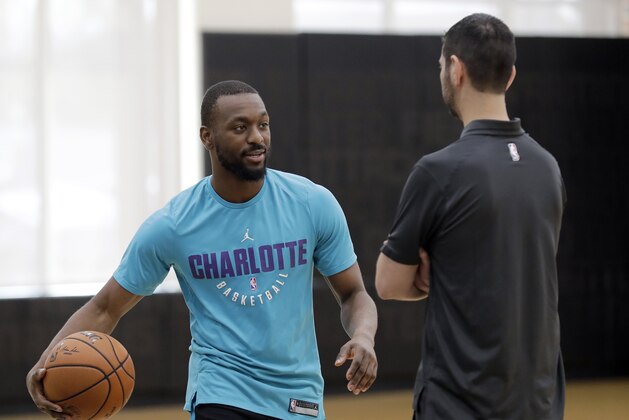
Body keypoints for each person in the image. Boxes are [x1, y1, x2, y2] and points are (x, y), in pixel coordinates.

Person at [27, 80, 378, 420]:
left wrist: (363, 336)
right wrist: (47, 364)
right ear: (207, 137)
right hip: (221, 392)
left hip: (298, 396)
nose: (257, 137)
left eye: (263, 125)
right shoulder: (173, 224)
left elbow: (353, 294)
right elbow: (104, 308)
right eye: (240, 127)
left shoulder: (311, 203)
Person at [375, 13, 566, 420]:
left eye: (442, 65)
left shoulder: (438, 171)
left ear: (456, 69)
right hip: (539, 404)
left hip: (458, 406)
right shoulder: (547, 167)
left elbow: (388, 283)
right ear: (510, 76)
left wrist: (431, 278)